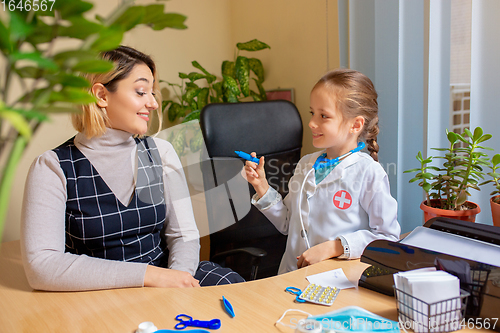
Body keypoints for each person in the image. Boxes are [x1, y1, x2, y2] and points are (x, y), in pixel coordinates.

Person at [21, 45, 244, 291]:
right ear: (101, 95)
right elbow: (42, 266)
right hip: (97, 294)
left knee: (234, 288)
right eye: (141, 92)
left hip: (168, 278)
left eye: (152, 92)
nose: (153, 103)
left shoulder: (162, 152)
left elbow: (184, 235)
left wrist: (176, 282)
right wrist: (150, 277)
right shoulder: (52, 168)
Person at [244, 68, 401, 274]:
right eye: (312, 113)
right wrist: (261, 185)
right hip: (290, 276)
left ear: (356, 124)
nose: (311, 122)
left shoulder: (368, 172)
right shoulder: (305, 165)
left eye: (323, 116)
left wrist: (334, 247)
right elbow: (288, 223)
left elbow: (387, 238)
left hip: (337, 281)